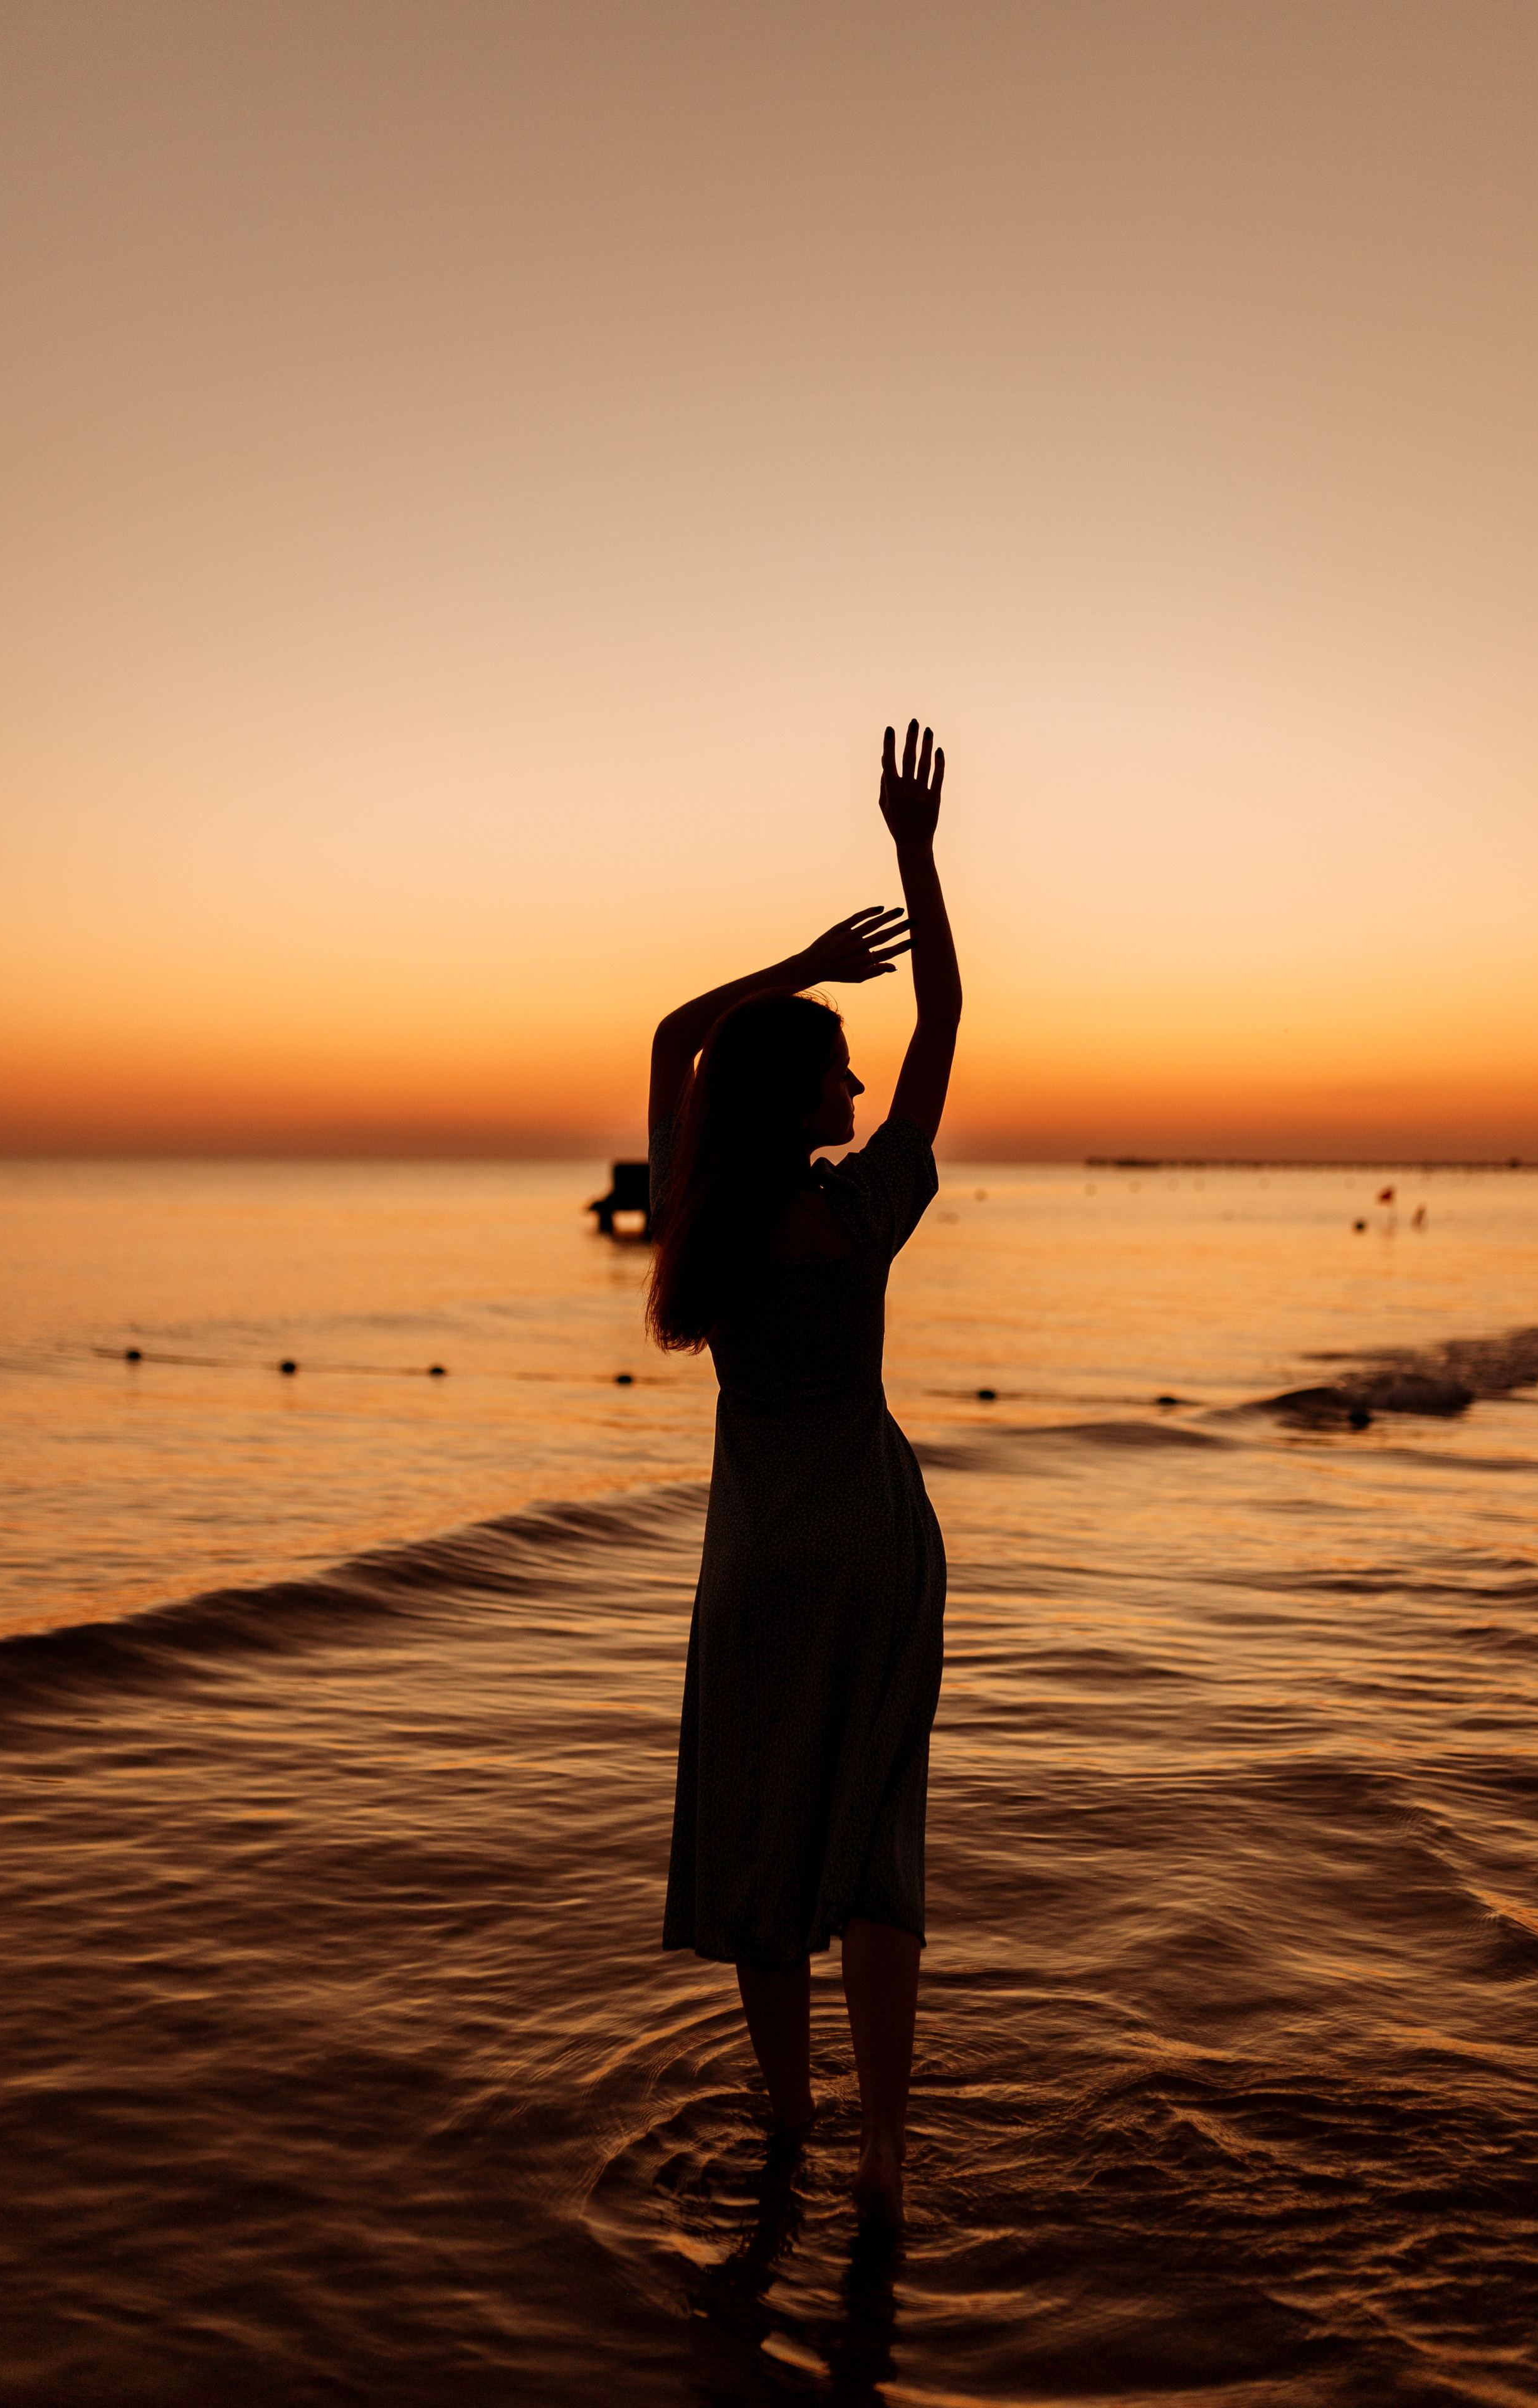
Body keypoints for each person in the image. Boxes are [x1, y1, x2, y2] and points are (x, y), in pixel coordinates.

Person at [645, 722, 961, 2232]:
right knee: (875, 1826)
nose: (852, 1071)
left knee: (766, 1816)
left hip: (759, 1556)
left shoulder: (700, 1224)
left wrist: (800, 968)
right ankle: (886, 2157)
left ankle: (786, 2127)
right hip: (879, 1540)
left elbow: (674, 1035)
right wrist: (914, 857)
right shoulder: (863, 1215)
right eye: (837, 1062)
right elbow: (948, 1017)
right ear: (813, 1102)